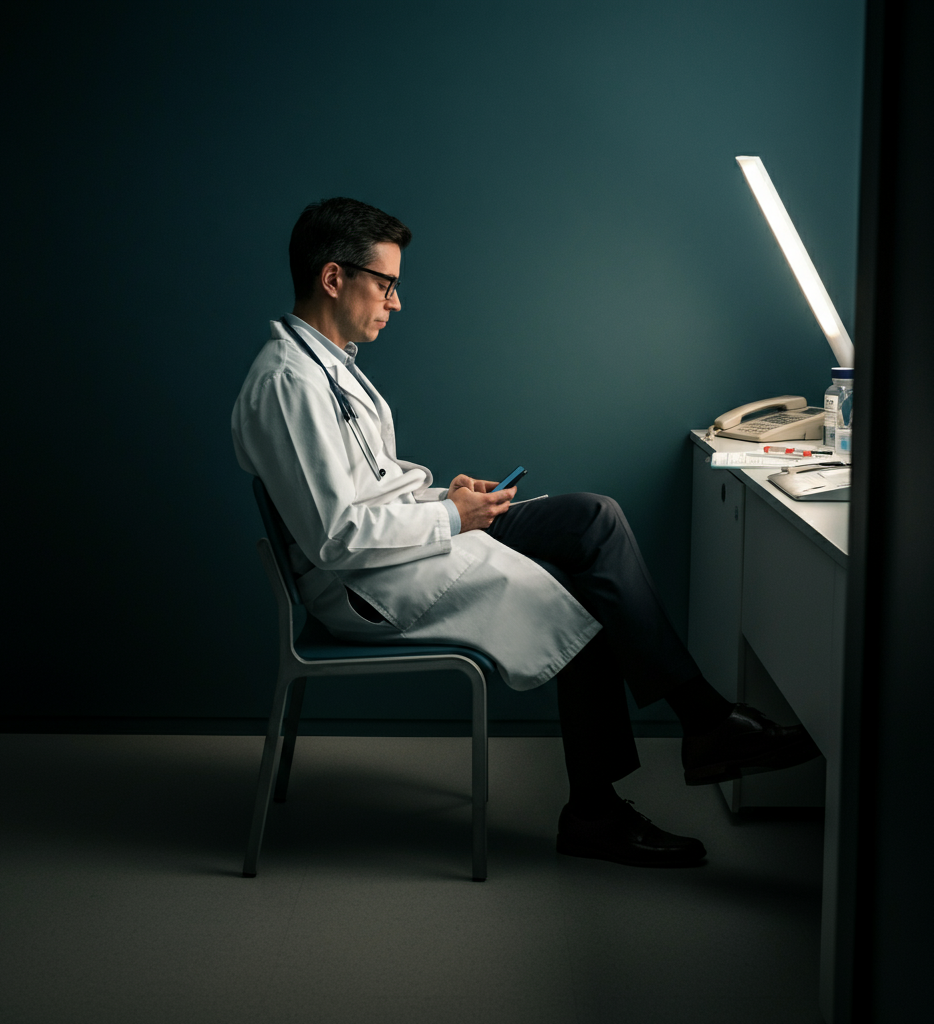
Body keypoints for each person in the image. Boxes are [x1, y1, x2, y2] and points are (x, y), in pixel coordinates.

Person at [231, 197, 820, 868]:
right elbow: (337, 538)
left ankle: (703, 726)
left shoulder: (327, 366)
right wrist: (452, 518)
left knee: (592, 518)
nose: (396, 304)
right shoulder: (290, 384)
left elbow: (366, 489)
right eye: (387, 284)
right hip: (369, 586)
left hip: (402, 546)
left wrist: (442, 496)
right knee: (585, 601)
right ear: (334, 278)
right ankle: (619, 795)